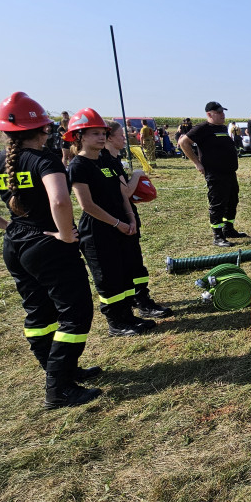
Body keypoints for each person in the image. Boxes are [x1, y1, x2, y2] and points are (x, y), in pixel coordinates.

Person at [0, 92, 100, 409]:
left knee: (39, 313)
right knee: (75, 314)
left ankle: (62, 372)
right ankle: (59, 387)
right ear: (44, 130)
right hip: (49, 247)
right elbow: (60, 200)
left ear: (3, 131)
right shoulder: (46, 161)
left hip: (16, 247)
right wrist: (65, 234)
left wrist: (7, 225)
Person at [65, 108, 154, 337]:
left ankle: (128, 317)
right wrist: (117, 223)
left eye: (103, 132)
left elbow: (122, 194)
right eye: (94, 133)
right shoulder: (78, 166)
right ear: (80, 136)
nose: (101, 137)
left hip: (122, 224)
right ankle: (116, 322)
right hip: (98, 229)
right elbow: (87, 205)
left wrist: (130, 217)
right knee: (108, 277)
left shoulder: (105, 162)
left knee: (124, 273)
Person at [103, 121, 172, 318]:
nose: (125, 139)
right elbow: (124, 192)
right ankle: (142, 302)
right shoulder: (106, 161)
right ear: (110, 138)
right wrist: (136, 175)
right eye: (121, 136)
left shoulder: (113, 160)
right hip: (119, 221)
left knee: (132, 262)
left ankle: (137, 298)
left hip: (126, 216)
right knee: (133, 263)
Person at [178, 101, 247, 247]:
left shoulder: (222, 127)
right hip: (215, 173)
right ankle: (218, 236)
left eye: (223, 112)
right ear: (209, 114)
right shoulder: (202, 128)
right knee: (218, 204)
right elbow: (183, 142)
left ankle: (229, 229)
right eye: (219, 112)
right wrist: (197, 163)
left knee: (232, 201)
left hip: (229, 172)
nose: (223, 115)